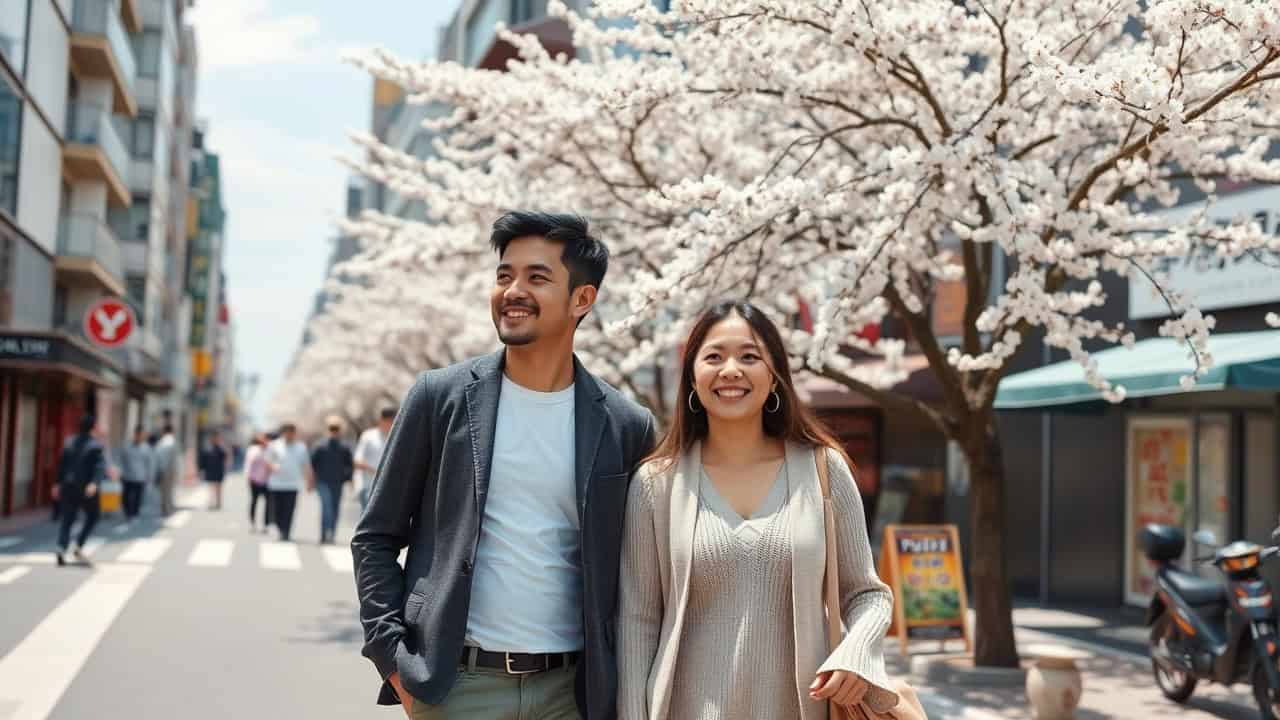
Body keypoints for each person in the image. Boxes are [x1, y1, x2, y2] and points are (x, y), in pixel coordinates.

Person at [352, 211, 656, 720]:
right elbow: (376, 536)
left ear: (582, 299)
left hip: (572, 693)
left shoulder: (626, 425)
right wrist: (394, 662)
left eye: (536, 277)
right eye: (503, 276)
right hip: (458, 687)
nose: (513, 290)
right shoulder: (439, 397)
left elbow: (639, 568)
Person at [617, 300, 897, 720]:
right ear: (692, 378)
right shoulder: (656, 484)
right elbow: (637, 622)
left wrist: (856, 652)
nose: (731, 370)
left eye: (750, 357)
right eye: (714, 357)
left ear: (774, 376)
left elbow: (867, 594)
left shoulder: (823, 469)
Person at [53, 414, 108, 566]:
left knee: (67, 519)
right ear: (93, 427)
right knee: (93, 515)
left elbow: (62, 465)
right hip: (85, 488)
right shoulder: (95, 445)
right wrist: (94, 483)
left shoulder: (69, 442)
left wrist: (57, 484)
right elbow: (100, 467)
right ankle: (78, 545)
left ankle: (61, 547)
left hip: (67, 486)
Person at [265, 423, 312, 542]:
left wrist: (309, 481)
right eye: (287, 432)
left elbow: (306, 465)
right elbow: (267, 461)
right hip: (276, 484)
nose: (290, 435)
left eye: (292, 433)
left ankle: (286, 532)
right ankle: (280, 528)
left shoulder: (301, 447)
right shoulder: (274, 445)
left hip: (293, 484)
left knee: (289, 509)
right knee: (277, 509)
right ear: (283, 433)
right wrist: (273, 467)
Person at [310, 417, 353, 544]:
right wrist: (312, 480)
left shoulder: (344, 447)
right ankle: (323, 534)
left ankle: (332, 534)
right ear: (327, 430)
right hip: (322, 482)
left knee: (335, 508)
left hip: (337, 483)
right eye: (332, 429)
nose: (334, 431)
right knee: (326, 507)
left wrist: (348, 479)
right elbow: (312, 464)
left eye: (336, 429)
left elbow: (349, 465)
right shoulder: (320, 446)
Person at [353, 407, 395, 513]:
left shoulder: (395, 437)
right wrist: (375, 471)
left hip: (387, 489)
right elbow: (357, 461)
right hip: (368, 487)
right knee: (370, 521)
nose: (391, 424)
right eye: (389, 421)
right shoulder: (368, 436)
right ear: (382, 420)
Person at [119, 425, 152, 524]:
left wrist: (149, 475)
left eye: (142, 434)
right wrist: (120, 471)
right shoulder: (126, 446)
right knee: (125, 497)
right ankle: (128, 513)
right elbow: (121, 459)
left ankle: (135, 514)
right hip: (127, 476)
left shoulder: (146, 448)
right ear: (135, 434)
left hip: (140, 477)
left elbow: (149, 463)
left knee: (138, 497)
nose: (140, 436)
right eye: (139, 434)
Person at [243, 433, 272, 533]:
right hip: (254, 479)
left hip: (268, 481)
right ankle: (252, 523)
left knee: (268, 503)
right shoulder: (253, 450)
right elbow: (248, 464)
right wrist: (247, 477)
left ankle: (266, 524)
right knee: (254, 501)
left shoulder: (271, 450)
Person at [199, 430, 230, 511]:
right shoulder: (207, 448)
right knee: (211, 488)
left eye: (217, 438)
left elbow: (226, 458)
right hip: (210, 471)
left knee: (218, 488)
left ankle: (218, 503)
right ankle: (211, 503)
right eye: (215, 438)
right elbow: (203, 460)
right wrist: (201, 470)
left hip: (219, 471)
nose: (216, 439)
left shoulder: (221, 449)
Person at [153, 423, 179, 516]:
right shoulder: (171, 440)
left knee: (163, 491)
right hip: (169, 468)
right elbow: (174, 457)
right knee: (169, 490)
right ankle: (167, 510)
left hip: (162, 468)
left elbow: (157, 454)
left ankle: (164, 509)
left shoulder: (162, 441)